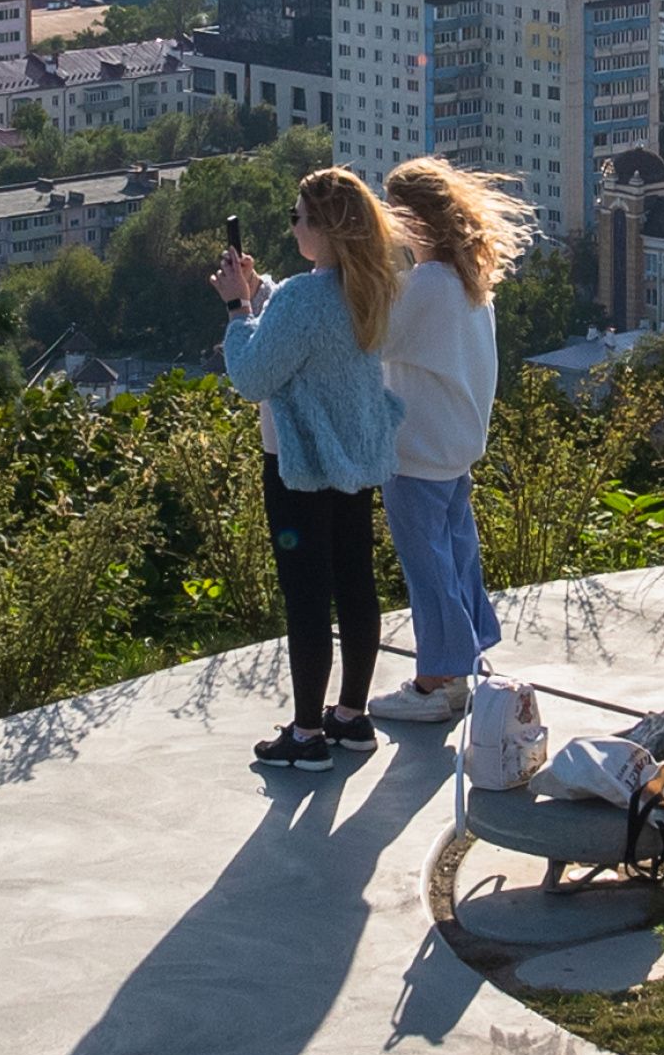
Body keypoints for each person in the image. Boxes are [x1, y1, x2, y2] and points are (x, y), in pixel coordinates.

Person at [213, 166, 406, 770]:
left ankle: (304, 733)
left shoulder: (301, 299)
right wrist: (261, 291)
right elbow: (308, 325)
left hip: (298, 465)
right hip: (355, 457)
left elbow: (252, 375)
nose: (292, 224)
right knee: (355, 582)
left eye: (297, 216)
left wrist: (238, 307)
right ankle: (350, 715)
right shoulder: (370, 285)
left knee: (306, 597)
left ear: (322, 228)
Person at [369, 157, 533, 723]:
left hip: (419, 453)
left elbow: (370, 338)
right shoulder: (467, 282)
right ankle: (461, 665)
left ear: (416, 220)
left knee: (428, 568)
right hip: (454, 449)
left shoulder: (429, 286)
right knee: (457, 557)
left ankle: (435, 680)